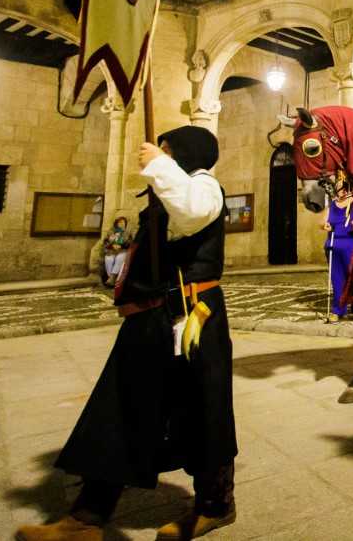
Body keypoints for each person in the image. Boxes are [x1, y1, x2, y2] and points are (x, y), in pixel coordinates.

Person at [16, 126, 237, 541]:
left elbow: (190, 214)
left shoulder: (204, 186)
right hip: (152, 319)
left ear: (186, 154)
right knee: (119, 408)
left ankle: (215, 505)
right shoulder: (169, 188)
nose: (153, 155)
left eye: (169, 149)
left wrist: (159, 164)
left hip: (193, 318)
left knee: (203, 411)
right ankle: (86, 519)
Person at [322, 170, 353, 319]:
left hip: (350, 243)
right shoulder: (333, 204)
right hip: (333, 244)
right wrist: (325, 225)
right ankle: (338, 310)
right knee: (337, 279)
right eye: (338, 189)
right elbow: (324, 221)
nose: (341, 192)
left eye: (343, 189)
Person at [100, 216, 130, 288]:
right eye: (120, 222)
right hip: (111, 250)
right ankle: (112, 279)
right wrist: (111, 243)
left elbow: (129, 244)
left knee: (120, 258)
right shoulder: (110, 232)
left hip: (122, 251)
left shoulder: (127, 233)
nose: (122, 224)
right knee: (109, 259)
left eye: (123, 223)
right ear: (116, 224)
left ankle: (111, 278)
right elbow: (105, 243)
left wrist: (122, 245)